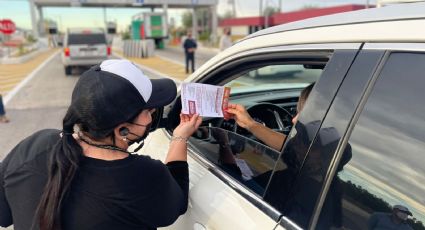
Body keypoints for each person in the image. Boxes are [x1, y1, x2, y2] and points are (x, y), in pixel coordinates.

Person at [0, 59, 202, 230]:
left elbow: (4, 214)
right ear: (122, 129)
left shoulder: (34, 145)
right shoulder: (143, 176)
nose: (152, 115)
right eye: (148, 111)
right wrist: (180, 137)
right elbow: (178, 201)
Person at [227, 82, 352, 229]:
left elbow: (235, 192)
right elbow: (288, 146)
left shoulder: (288, 188)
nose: (293, 119)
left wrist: (224, 146)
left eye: (305, 113)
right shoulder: (330, 188)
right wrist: (250, 124)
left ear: (323, 157)